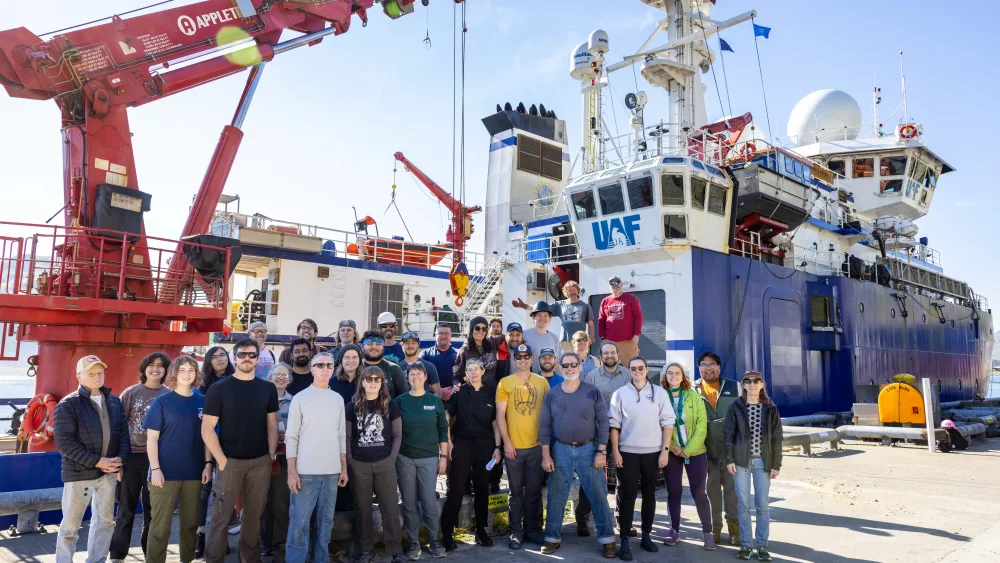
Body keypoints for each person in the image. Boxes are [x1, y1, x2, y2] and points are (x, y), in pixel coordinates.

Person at [201, 338, 279, 563]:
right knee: (221, 517)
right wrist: (221, 460)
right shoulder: (219, 389)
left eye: (252, 355)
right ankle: (214, 559)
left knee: (254, 516)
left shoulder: (267, 388)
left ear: (257, 358)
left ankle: (249, 559)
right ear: (234, 358)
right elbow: (207, 429)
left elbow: (272, 424)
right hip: (230, 462)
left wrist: (271, 454)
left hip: (260, 462)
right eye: (242, 354)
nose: (247, 358)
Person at [539, 352, 616, 558]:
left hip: (589, 449)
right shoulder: (552, 394)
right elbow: (545, 426)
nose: (570, 368)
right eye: (566, 365)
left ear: (581, 367)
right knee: (557, 495)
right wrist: (546, 455)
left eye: (574, 365)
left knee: (598, 493)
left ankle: (607, 539)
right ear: (560, 368)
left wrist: (601, 451)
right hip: (561, 449)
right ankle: (552, 538)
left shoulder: (592, 392)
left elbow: (603, 422)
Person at [53, 355, 129, 563]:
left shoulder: (113, 401)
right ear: (78, 376)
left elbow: (123, 433)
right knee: (70, 526)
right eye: (90, 373)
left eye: (100, 373)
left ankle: (96, 560)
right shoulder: (68, 405)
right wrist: (97, 461)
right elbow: (63, 443)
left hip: (109, 473)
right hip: (79, 473)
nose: (97, 377)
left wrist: (119, 459)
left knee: (105, 523)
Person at [144, 355, 211, 563]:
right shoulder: (161, 402)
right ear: (174, 373)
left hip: (194, 473)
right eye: (182, 370)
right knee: (160, 527)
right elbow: (152, 439)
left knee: (190, 525)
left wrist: (208, 464)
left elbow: (208, 437)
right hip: (164, 473)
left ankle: (187, 560)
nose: (187, 374)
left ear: (196, 374)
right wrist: (155, 469)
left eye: (191, 370)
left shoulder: (203, 401)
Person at [609, 357, 675, 560]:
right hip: (627, 453)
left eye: (641, 368)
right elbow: (614, 425)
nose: (637, 371)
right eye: (633, 368)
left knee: (649, 496)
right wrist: (616, 452)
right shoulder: (620, 394)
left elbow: (668, 423)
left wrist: (664, 450)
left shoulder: (660, 393)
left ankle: (646, 536)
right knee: (627, 497)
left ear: (647, 369)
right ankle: (625, 541)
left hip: (652, 453)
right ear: (628, 371)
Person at [285, 352, 348, 563]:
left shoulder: (337, 399)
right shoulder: (300, 398)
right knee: (299, 524)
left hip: (331, 473)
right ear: (312, 369)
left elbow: (341, 436)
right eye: (320, 365)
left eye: (329, 365)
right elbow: (291, 437)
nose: (325, 368)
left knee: (325, 525)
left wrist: (343, 468)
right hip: (305, 473)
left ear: (333, 369)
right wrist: (292, 472)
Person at [108, 352, 170, 561]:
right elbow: (119, 427)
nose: (156, 369)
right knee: (126, 509)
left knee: (153, 511)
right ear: (144, 368)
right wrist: (119, 461)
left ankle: (150, 552)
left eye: (161, 366)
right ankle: (117, 554)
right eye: (151, 365)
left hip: (158, 460)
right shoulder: (131, 393)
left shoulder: (169, 395)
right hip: (132, 457)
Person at [346, 366, 406, 563]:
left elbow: (397, 435)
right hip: (359, 465)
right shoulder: (352, 406)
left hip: (385, 463)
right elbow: (346, 437)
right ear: (362, 381)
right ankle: (365, 550)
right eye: (369, 379)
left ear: (382, 383)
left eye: (377, 379)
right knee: (362, 509)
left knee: (390, 507)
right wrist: (350, 461)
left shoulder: (390, 405)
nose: (372, 382)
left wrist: (391, 459)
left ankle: (395, 550)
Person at [441, 358, 501, 550]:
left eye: (476, 369)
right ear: (465, 373)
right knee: (457, 488)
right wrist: (448, 440)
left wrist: (498, 447)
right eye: (469, 370)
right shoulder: (460, 392)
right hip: (462, 443)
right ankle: (448, 533)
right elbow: (447, 414)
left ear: (483, 371)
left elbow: (495, 422)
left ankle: (481, 531)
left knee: (483, 488)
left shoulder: (492, 392)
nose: (473, 372)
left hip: (485, 444)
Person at [495, 343, 549, 550]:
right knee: (516, 492)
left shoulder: (542, 382)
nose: (523, 360)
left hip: (536, 447)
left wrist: (544, 444)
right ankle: (515, 532)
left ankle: (532, 530)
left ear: (532, 359)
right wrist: (506, 443)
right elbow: (500, 415)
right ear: (514, 360)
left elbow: (547, 415)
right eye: (519, 357)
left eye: (527, 357)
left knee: (534, 491)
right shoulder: (505, 383)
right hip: (514, 448)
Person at [725, 370, 782, 562]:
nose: (752, 384)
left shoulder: (770, 408)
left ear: (762, 384)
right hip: (741, 462)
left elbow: (777, 438)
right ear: (743, 385)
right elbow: (729, 435)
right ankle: (746, 545)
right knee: (743, 505)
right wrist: (729, 459)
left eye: (756, 381)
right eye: (748, 381)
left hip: (762, 463)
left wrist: (776, 464)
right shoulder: (736, 406)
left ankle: (762, 545)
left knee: (762, 505)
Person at [394, 363, 449, 559]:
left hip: (429, 458)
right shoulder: (399, 401)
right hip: (405, 458)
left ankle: (434, 540)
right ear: (407, 377)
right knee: (409, 503)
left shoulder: (435, 401)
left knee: (429, 502)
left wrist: (443, 456)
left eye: (419, 374)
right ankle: (413, 542)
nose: (416, 377)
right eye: (412, 374)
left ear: (426, 377)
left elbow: (443, 429)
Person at [578, 342, 632, 536]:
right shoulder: (592, 377)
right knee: (592, 476)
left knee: (624, 478)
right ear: (600, 357)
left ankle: (622, 519)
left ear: (618, 354)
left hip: (624, 433)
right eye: (606, 353)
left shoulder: (628, 375)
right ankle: (582, 519)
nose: (610, 355)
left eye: (612, 352)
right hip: (597, 433)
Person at [660, 362, 713, 550]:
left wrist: (688, 449)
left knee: (699, 492)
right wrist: (673, 446)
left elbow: (702, 425)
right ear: (665, 376)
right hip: (671, 452)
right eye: (670, 373)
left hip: (695, 451)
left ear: (683, 376)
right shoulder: (660, 397)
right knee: (674, 493)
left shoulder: (693, 396)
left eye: (677, 373)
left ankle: (708, 533)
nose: (673, 375)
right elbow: (657, 424)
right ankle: (674, 531)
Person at [693, 351, 741, 545]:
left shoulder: (734, 387)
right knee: (711, 493)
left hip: (731, 452)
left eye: (712, 364)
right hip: (705, 453)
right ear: (699, 368)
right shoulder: (692, 389)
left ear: (719, 367)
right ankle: (715, 528)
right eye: (704, 365)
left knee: (732, 493)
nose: (708, 368)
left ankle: (734, 529)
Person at [195, 346, 235, 556]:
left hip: (230, 447)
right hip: (205, 446)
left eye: (223, 355)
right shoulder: (201, 387)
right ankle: (200, 536)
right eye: (215, 356)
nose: (219, 359)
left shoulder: (238, 381)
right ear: (208, 361)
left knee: (225, 495)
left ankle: (221, 538)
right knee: (203, 493)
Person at [261, 363, 294, 560]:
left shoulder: (295, 401)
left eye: (284, 375)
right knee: (263, 502)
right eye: (277, 374)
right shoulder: (261, 399)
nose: (280, 378)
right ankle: (264, 540)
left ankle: (279, 542)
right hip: (263, 457)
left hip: (284, 459)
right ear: (270, 376)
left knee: (283, 502)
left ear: (289, 379)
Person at [513, 280, 595, 351]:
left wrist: (591, 338)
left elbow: (591, 324)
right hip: (565, 341)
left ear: (577, 291)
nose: (572, 292)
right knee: (565, 363)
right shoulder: (560, 305)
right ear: (566, 293)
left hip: (580, 341)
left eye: (574, 290)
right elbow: (542, 308)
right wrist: (524, 306)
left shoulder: (585, 306)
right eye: (570, 291)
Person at [598, 276, 643, 362]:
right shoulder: (605, 301)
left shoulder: (632, 299)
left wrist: (636, 336)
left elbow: (638, 317)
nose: (615, 285)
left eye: (617, 282)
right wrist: (603, 338)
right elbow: (601, 320)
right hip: (609, 342)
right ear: (609, 286)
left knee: (631, 368)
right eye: (612, 283)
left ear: (621, 284)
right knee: (608, 368)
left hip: (628, 341)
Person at [360, 330, 408, 398]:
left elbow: (404, 397)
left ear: (383, 347)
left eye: (378, 344)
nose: (374, 347)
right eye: (369, 344)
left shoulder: (394, 369)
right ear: (362, 348)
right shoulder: (356, 368)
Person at [454, 316, 499, 387]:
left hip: (492, 392)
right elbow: (457, 376)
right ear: (471, 330)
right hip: (472, 393)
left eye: (484, 329)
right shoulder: (464, 351)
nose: (480, 331)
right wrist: (457, 385)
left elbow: (508, 336)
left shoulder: (492, 343)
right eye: (477, 328)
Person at [419, 323, 458, 399]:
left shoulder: (459, 354)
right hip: (431, 398)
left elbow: (464, 377)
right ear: (435, 335)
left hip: (454, 398)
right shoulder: (425, 354)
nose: (443, 336)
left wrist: (454, 389)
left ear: (451, 336)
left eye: (446, 333)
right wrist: (438, 390)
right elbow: (418, 378)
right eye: (440, 333)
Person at [521, 302, 561, 375]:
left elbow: (557, 364)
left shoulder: (554, 338)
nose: (542, 318)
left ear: (550, 318)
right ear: (533, 317)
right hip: (529, 381)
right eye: (539, 315)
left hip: (549, 381)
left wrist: (560, 382)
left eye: (545, 315)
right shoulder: (524, 335)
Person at [398, 331, 442, 396]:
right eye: (407, 343)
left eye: (413, 343)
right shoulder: (396, 368)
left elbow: (438, 392)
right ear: (402, 345)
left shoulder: (429, 366)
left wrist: (430, 405)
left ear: (418, 344)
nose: (410, 346)